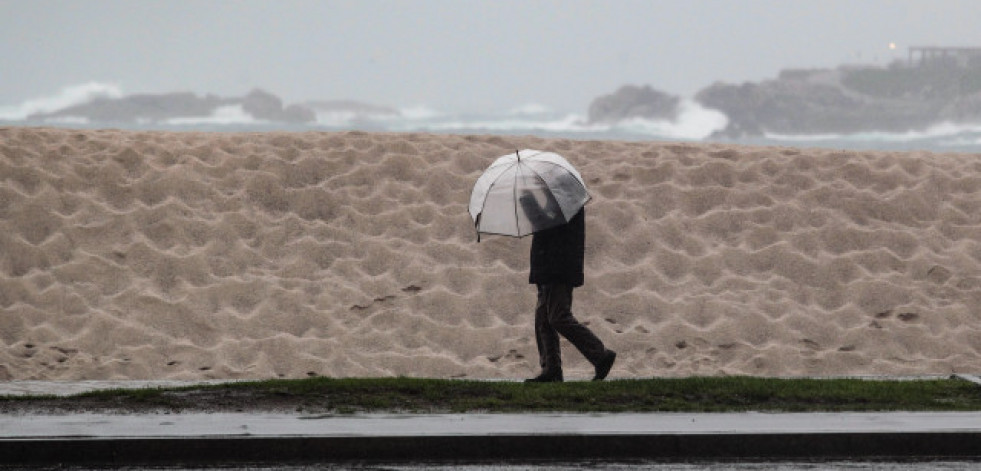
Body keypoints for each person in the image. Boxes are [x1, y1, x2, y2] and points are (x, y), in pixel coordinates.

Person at [520, 191, 616, 383]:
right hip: (549, 267)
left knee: (558, 317)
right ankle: (551, 369)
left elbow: (548, 228)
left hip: (558, 269)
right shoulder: (558, 199)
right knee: (543, 320)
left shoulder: (566, 201)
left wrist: (528, 203)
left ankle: (600, 355)